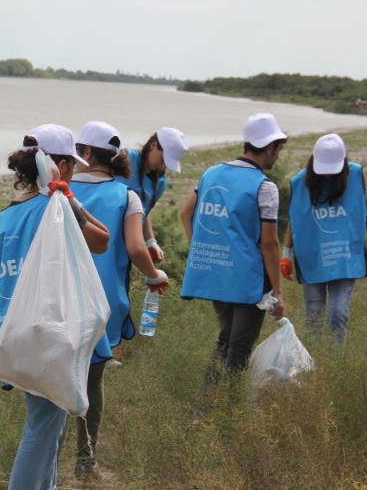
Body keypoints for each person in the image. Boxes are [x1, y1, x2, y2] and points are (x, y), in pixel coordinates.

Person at [0, 123, 109, 490]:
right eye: (69, 165)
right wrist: (69, 199)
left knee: (49, 428)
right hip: (49, 334)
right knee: (41, 431)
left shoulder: (0, 220)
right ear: (59, 167)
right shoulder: (56, 211)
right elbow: (101, 240)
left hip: (13, 331)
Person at [68, 121, 169, 480]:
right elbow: (136, 247)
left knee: (58, 375)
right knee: (93, 380)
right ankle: (85, 459)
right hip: (103, 303)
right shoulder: (127, 196)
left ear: (86, 152)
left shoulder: (59, 192)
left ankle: (47, 451)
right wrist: (155, 276)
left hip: (61, 298)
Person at [180, 112, 285, 386]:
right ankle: (223, 412)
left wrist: (200, 248)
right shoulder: (265, 187)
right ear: (271, 146)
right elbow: (270, 244)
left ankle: (205, 410)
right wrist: (278, 291)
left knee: (225, 340)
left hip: (216, 274)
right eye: (279, 150)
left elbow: (186, 213)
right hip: (248, 279)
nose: (278, 156)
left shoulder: (210, 174)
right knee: (238, 349)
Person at [281, 133, 367, 342]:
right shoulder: (301, 182)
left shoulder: (355, 174)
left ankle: (336, 362)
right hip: (313, 255)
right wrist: (286, 252)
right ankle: (314, 366)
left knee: (338, 313)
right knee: (314, 316)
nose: (327, 176)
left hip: (344, 254)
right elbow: (297, 216)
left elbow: (364, 206)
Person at [115, 127, 189, 263]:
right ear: (154, 145)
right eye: (162, 159)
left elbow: (143, 211)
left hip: (126, 251)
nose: (163, 167)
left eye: (168, 164)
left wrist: (150, 241)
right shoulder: (125, 160)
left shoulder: (160, 181)